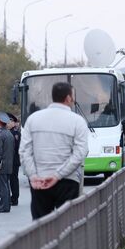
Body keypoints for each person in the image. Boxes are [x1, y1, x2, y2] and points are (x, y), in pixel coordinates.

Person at [19, 82, 89, 220]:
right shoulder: (77, 121)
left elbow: (24, 151)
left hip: (40, 181)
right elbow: (80, 153)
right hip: (67, 181)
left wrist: (33, 176)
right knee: (67, 226)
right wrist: (57, 175)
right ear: (68, 98)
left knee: (42, 226)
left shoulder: (33, 119)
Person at [7, 113, 21, 206]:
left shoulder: (15, 133)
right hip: (9, 160)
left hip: (14, 160)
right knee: (9, 179)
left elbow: (14, 147)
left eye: (9, 122)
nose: (7, 124)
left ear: (13, 122)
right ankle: (11, 197)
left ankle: (15, 198)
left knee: (13, 180)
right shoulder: (8, 132)